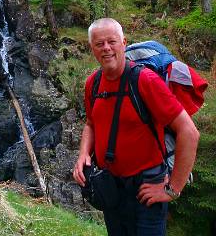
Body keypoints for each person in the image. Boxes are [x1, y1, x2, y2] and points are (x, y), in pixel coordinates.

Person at [73, 18, 200, 236]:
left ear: (124, 43)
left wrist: (172, 190)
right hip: (111, 188)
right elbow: (91, 124)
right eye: (99, 43)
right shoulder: (92, 83)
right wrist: (84, 152)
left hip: (147, 188)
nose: (106, 48)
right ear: (91, 48)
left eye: (112, 41)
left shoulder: (145, 80)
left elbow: (189, 132)